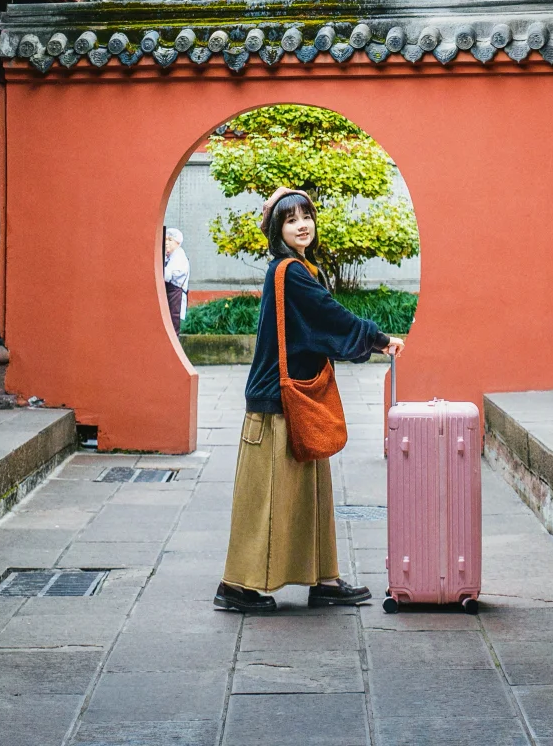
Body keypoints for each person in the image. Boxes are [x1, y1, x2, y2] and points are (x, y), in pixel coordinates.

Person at [214, 187, 403, 615]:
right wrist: (378, 339)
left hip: (298, 400)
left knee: (310, 499)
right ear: (277, 230)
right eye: (290, 220)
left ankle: (324, 580)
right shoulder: (289, 272)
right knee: (266, 501)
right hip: (277, 403)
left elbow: (319, 323)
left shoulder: (302, 269)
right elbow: (329, 315)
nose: (302, 225)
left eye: (306, 216)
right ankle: (236, 586)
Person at [164, 228, 190, 332]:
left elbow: (167, 276)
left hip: (175, 295)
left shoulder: (178, 256)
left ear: (177, 242)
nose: (166, 242)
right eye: (165, 239)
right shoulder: (169, 256)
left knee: (172, 323)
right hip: (170, 293)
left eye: (170, 240)